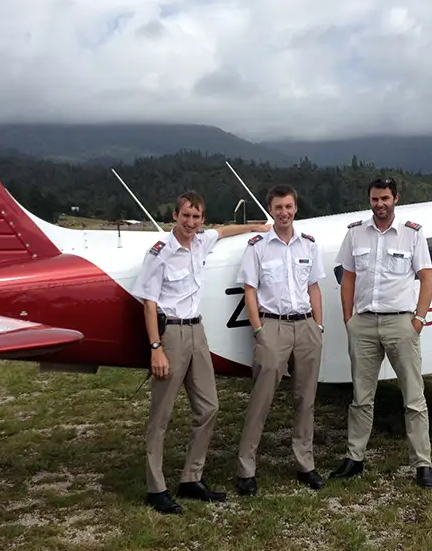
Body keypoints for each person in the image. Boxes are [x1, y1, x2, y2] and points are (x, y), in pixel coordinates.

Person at [131, 190, 270, 514]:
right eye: (185, 216)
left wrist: (255, 227)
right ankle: (156, 488)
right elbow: (149, 303)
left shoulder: (202, 240)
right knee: (161, 416)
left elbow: (222, 232)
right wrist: (156, 349)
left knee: (209, 406)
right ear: (175, 217)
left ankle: (191, 478)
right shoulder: (160, 252)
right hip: (172, 333)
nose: (190, 223)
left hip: (197, 330)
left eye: (196, 217)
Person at [330, 177, 432, 489]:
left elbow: (427, 278)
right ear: (370, 200)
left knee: (413, 397)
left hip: (400, 324)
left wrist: (417, 319)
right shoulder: (355, 234)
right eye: (375, 199)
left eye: (385, 199)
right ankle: (355, 457)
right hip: (363, 324)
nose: (380, 204)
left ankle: (422, 464)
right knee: (361, 397)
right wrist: (349, 318)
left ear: (396, 199)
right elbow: (347, 277)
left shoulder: (413, 234)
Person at [234, 184, 326, 496]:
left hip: (305, 326)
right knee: (261, 400)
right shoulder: (257, 246)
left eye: (288, 207)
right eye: (278, 208)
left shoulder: (309, 245)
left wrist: (319, 325)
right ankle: (246, 468)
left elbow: (314, 287)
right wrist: (258, 331)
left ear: (295, 208)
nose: (284, 213)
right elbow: (250, 290)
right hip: (272, 326)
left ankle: (305, 464)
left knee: (306, 400)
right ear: (270, 211)